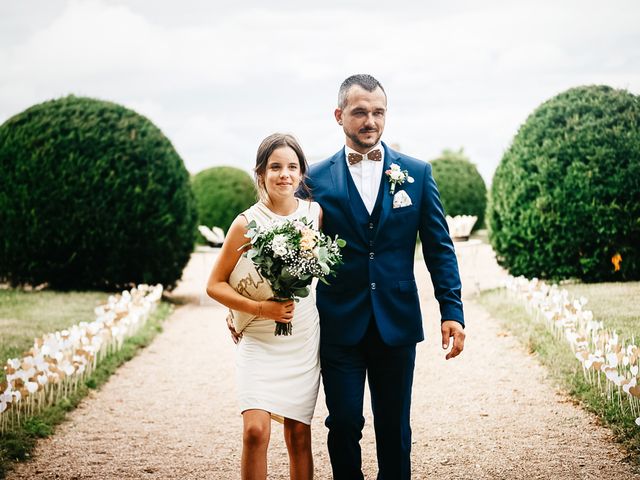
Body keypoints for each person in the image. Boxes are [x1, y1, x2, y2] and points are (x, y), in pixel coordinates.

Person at [306, 74, 466, 479]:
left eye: (378, 112)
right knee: (342, 424)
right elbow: (291, 248)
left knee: (395, 428)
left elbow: (439, 246)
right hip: (339, 322)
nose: (370, 121)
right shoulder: (315, 178)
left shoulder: (417, 173)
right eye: (360, 112)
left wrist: (452, 309)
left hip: (396, 321)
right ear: (339, 115)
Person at [206, 133, 321, 480]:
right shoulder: (246, 223)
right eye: (275, 167)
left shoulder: (315, 214)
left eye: (291, 167)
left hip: (301, 337)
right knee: (255, 431)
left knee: (299, 435)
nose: (283, 174)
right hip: (258, 337)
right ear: (260, 173)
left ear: (301, 174)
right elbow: (214, 285)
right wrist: (259, 310)